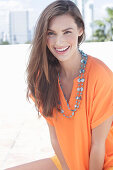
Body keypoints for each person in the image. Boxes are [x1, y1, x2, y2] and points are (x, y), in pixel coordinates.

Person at [6, 0, 113, 170]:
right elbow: (55, 138)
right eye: (51, 33)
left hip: (103, 163)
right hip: (69, 161)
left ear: (80, 30)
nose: (59, 41)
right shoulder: (43, 78)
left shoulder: (101, 76)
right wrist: (67, 167)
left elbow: (98, 146)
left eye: (66, 32)